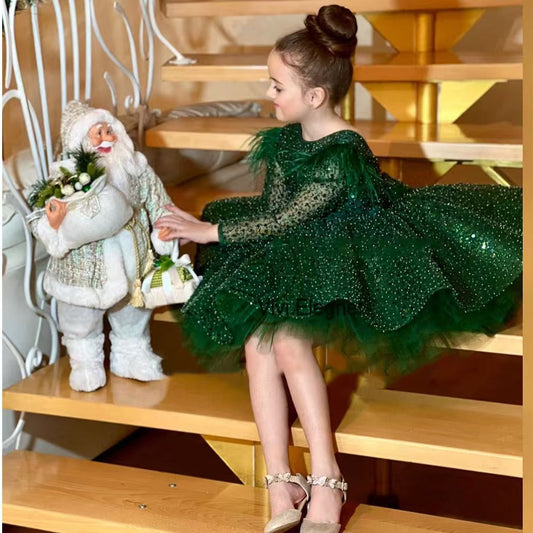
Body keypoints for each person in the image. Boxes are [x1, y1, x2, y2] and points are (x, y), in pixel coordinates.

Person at [155, 5, 522, 532]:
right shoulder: (285, 140)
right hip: (298, 243)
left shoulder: (343, 153)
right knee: (258, 346)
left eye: (276, 86)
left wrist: (211, 232)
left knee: (286, 342)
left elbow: (287, 219)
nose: (267, 93)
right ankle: (281, 481)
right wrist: (208, 225)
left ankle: (327, 477)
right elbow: (275, 213)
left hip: (355, 247)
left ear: (314, 97)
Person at [32, 101, 174, 392]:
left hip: (132, 258)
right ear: (80, 143)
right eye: (97, 133)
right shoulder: (64, 179)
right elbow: (40, 216)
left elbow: (157, 199)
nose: (107, 138)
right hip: (83, 268)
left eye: (109, 130)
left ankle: (132, 353)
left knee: (133, 312)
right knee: (80, 317)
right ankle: (85, 362)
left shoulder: (136, 168)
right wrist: (54, 223)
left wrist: (163, 229)